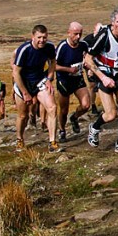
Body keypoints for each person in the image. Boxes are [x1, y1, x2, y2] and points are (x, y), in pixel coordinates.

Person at [84, 7, 118, 155]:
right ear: (112, 22)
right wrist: (103, 77)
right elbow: (88, 58)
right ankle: (94, 127)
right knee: (111, 115)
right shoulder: (104, 36)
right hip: (106, 77)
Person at [12, 24, 60, 152]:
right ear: (32, 36)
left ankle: (52, 142)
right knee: (23, 115)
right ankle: (19, 139)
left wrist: (49, 78)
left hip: (39, 80)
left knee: (52, 108)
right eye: (39, 37)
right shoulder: (24, 49)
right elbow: (16, 72)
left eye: (44, 37)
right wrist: (25, 92)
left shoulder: (49, 47)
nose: (42, 40)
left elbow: (53, 62)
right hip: (23, 82)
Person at [54, 22, 93, 142]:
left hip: (77, 78)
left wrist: (89, 68)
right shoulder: (62, 47)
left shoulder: (83, 45)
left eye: (80, 34)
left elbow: (88, 58)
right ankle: (62, 130)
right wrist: (68, 69)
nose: (78, 37)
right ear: (69, 33)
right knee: (64, 110)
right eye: (75, 34)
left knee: (86, 105)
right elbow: (53, 66)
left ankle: (75, 117)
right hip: (64, 80)